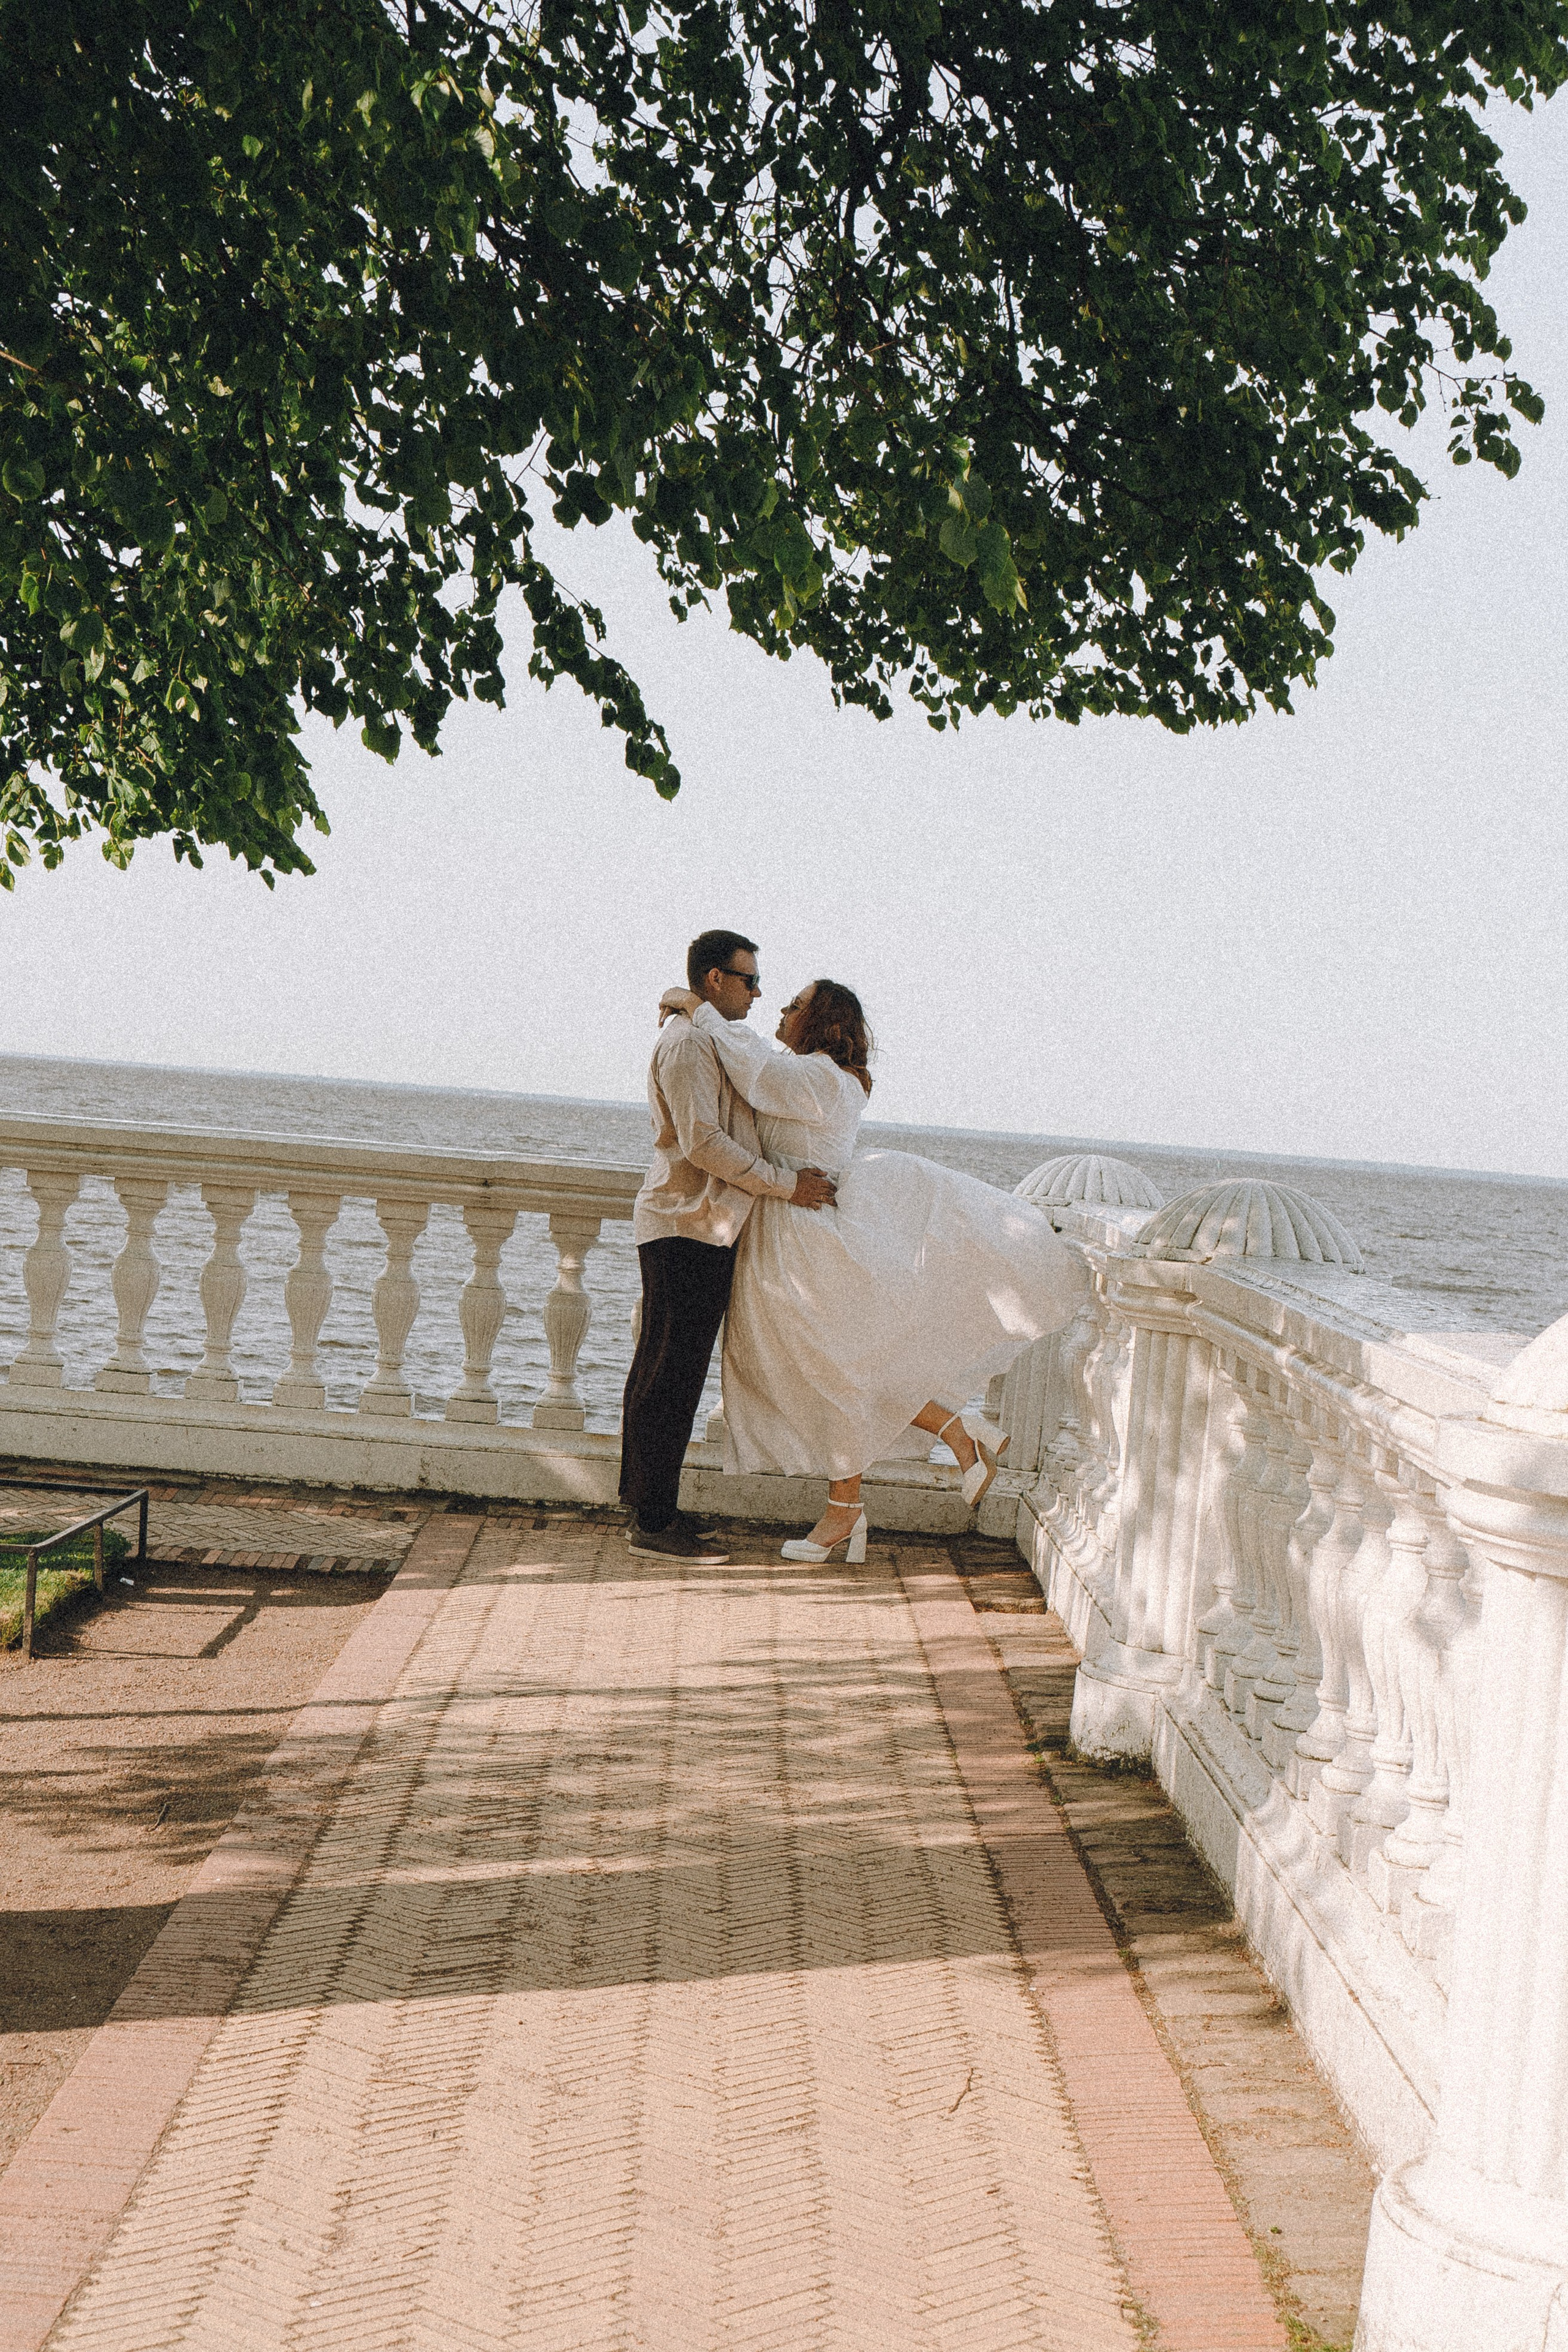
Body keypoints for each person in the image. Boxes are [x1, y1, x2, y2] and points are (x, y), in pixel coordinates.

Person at [657, 976, 1090, 1561]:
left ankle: (856, 1505)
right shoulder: (820, 1075)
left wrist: (701, 1011)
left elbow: (754, 1069)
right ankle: (942, 1445)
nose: (781, 1009)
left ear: (821, 1020)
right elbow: (754, 1063)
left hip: (806, 1239)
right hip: (788, 1232)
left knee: (835, 1373)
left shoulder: (818, 1077)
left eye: (796, 1004)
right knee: (837, 1371)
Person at [619, 929, 839, 1563]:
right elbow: (702, 1144)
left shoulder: (700, 1031)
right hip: (686, 1223)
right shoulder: (688, 1043)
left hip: (699, 1223)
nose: (759, 991)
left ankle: (651, 1507)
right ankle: (651, 1522)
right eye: (748, 979)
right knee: (668, 1375)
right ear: (714, 980)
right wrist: (786, 1186)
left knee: (667, 1373)